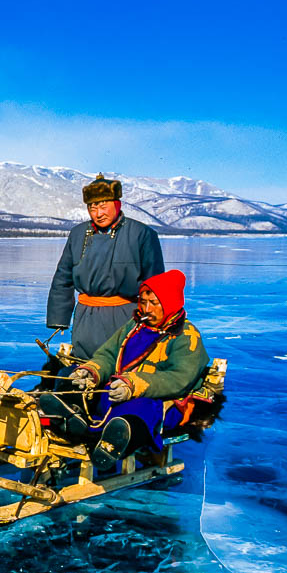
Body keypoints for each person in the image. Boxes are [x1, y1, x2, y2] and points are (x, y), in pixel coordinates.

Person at [41, 269, 210, 470]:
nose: (146, 309)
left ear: (170, 302)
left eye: (154, 304)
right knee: (69, 376)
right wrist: (91, 372)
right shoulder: (134, 325)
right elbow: (109, 354)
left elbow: (179, 379)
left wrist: (134, 384)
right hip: (119, 390)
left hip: (162, 401)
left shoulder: (186, 336)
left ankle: (113, 443)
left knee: (139, 409)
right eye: (143, 302)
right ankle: (72, 417)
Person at [46, 173, 165, 359]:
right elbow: (63, 277)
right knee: (83, 362)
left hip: (124, 316)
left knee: (122, 362)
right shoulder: (78, 234)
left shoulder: (142, 234)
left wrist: (155, 320)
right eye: (92, 208)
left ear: (117, 204)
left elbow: (155, 284)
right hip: (86, 316)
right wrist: (59, 319)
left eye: (103, 206)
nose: (98, 214)